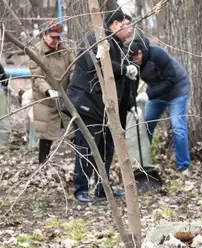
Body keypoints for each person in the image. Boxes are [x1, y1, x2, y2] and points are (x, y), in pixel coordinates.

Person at [66, 10, 136, 203]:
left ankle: (102, 189)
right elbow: (98, 64)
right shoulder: (96, 39)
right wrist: (123, 68)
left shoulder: (118, 45)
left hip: (105, 109)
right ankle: (81, 189)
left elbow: (122, 82)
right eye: (127, 24)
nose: (130, 29)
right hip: (87, 103)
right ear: (116, 24)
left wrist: (130, 104)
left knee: (107, 148)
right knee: (87, 146)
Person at [129, 37, 191, 172]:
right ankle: (143, 163)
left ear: (140, 52)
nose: (135, 62)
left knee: (178, 127)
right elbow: (132, 82)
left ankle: (183, 166)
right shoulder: (133, 62)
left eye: (135, 58)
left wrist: (148, 95)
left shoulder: (158, 55)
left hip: (177, 90)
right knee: (146, 125)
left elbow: (170, 80)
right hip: (156, 93)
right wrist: (132, 101)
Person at [28, 23, 74, 164]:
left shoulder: (65, 50)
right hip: (46, 101)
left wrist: (73, 84)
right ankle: (43, 164)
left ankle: (81, 162)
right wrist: (48, 90)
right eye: (52, 37)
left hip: (65, 97)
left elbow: (73, 68)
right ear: (44, 35)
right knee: (46, 136)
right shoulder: (36, 51)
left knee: (74, 131)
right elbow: (37, 76)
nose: (56, 40)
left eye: (58, 37)